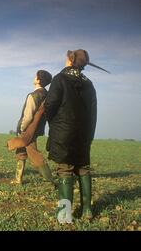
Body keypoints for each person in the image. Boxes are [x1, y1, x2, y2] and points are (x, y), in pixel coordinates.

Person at [44, 49, 98, 220]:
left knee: (65, 170)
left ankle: (64, 213)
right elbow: (93, 113)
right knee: (83, 169)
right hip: (84, 134)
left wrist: (52, 121)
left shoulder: (60, 78)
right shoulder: (89, 84)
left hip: (63, 133)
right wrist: (89, 135)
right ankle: (87, 210)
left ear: (70, 59)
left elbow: (50, 105)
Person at [12, 70, 56, 186]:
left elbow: (27, 116)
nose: (34, 78)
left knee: (35, 155)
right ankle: (18, 179)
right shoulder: (48, 95)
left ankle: (50, 181)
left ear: (38, 80)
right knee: (21, 151)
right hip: (37, 128)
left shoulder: (33, 95)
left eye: (35, 76)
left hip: (28, 130)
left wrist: (22, 128)